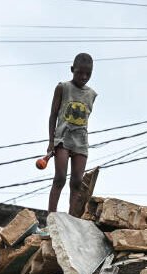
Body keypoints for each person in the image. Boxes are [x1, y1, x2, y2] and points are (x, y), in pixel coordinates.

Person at [47, 53, 97, 215]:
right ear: (72, 70)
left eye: (88, 73)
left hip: (80, 142)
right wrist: (51, 141)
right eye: (79, 72)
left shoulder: (91, 95)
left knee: (77, 182)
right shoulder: (63, 88)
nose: (83, 76)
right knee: (60, 177)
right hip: (63, 139)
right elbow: (53, 115)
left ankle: (72, 218)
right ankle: (51, 217)